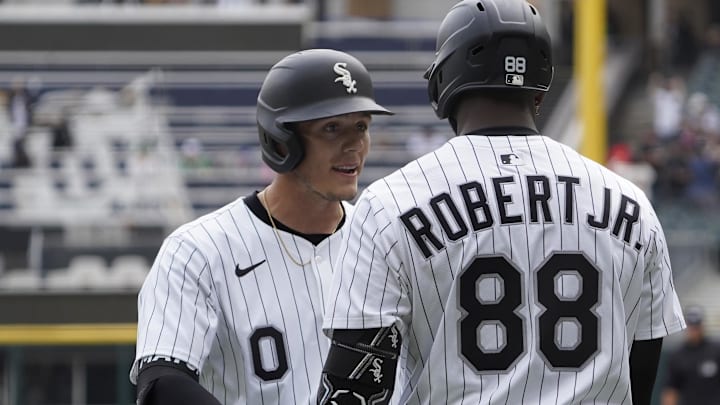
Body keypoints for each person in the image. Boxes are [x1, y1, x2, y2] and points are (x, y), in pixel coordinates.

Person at [317, 1, 686, 405]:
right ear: (541, 86)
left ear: (445, 80)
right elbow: (641, 374)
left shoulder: (389, 203)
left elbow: (355, 388)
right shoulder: (632, 205)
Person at [129, 48, 392, 405]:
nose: (354, 146)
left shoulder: (387, 243)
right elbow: (163, 384)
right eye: (332, 128)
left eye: (361, 126)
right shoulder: (198, 250)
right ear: (282, 139)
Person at [662, 306, 720, 405]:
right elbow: (671, 390)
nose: (694, 331)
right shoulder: (678, 356)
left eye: (697, 326)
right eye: (691, 326)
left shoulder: (716, 350)